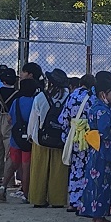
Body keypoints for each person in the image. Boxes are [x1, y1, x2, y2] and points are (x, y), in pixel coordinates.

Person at [81, 71, 111, 222]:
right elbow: (106, 131)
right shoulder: (101, 110)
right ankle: (99, 216)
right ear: (103, 94)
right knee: (101, 183)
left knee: (100, 182)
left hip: (100, 151)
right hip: (103, 152)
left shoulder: (103, 107)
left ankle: (97, 214)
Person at [27, 69, 70, 209]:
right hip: (60, 139)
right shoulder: (68, 97)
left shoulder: (40, 97)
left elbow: (34, 118)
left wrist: (30, 135)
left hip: (41, 137)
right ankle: (57, 198)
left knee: (39, 169)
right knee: (58, 169)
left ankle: (38, 198)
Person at [58, 73, 95, 213]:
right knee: (86, 168)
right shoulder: (92, 98)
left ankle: (73, 201)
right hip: (87, 136)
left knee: (75, 169)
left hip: (74, 135)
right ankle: (83, 201)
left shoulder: (72, 96)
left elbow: (63, 118)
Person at [0, 77, 39, 203]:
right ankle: (26, 193)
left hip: (15, 137)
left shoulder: (16, 102)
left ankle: (3, 186)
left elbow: (9, 119)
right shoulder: (34, 102)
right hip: (29, 138)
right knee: (26, 166)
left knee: (12, 162)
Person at [0, 68, 18, 189]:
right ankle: (9, 180)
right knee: (9, 151)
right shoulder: (17, 93)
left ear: (3, 81)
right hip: (11, 120)